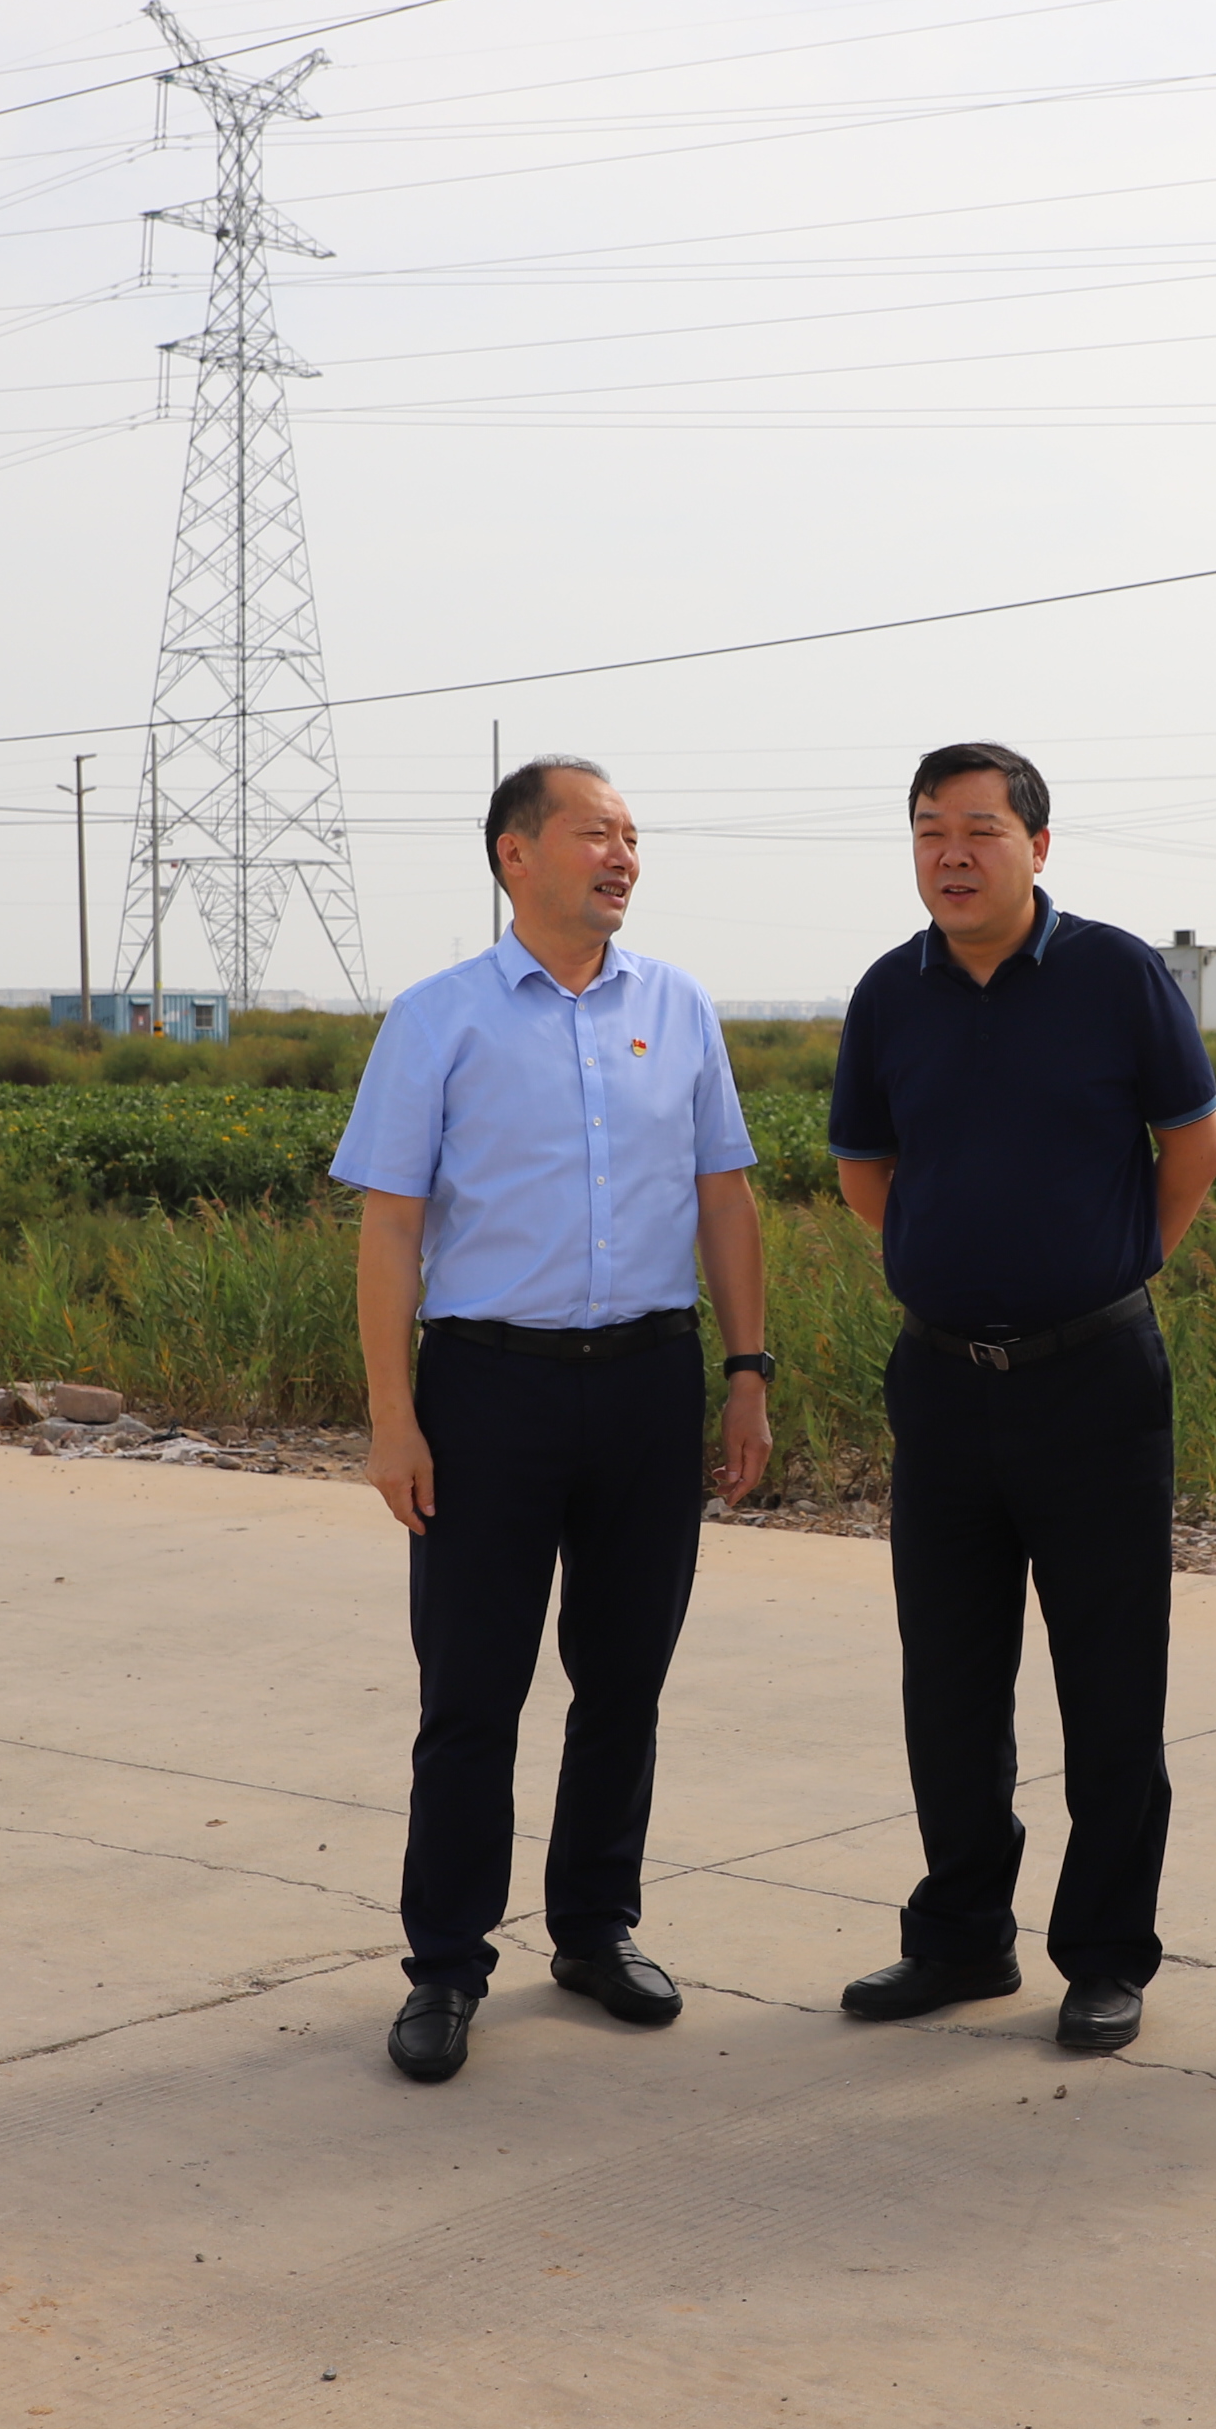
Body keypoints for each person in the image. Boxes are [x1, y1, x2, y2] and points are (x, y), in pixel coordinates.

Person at [332, 756, 775, 2085]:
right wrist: (393, 1416)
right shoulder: (439, 1018)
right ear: (514, 854)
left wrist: (746, 1372)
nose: (622, 856)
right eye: (596, 833)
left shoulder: (677, 1007)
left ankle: (593, 1926)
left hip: (648, 1380)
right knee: (471, 1693)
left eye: (632, 836)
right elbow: (391, 1227)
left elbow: (724, 1198)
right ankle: (445, 1964)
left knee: (624, 1678)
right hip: (489, 1389)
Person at [825, 741, 1216, 2053]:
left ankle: (1104, 1955)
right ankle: (959, 1937)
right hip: (942, 1384)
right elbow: (865, 1170)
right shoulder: (889, 992)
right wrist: (948, 1259)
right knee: (948, 1678)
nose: (952, 853)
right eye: (929, 830)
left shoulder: (1116, 976)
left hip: (1096, 1381)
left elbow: (1193, 1150)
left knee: (1109, 1682)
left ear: (1037, 846)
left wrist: (1110, 1266)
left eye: (980, 828)